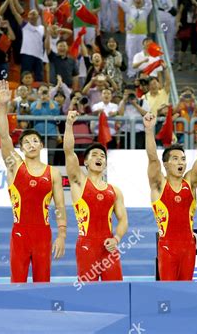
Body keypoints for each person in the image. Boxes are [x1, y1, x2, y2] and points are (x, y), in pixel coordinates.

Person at [0, 80, 66, 283]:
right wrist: (2, 107)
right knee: (17, 282)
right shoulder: (15, 166)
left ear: (42, 145)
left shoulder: (52, 173)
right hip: (20, 234)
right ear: (21, 149)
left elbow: (59, 206)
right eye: (26, 142)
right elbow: (3, 137)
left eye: (35, 140)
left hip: (43, 234)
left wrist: (61, 234)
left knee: (42, 283)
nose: (31, 144)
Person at [144, 111, 197, 280]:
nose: (181, 162)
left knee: (186, 289)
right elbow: (152, 159)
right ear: (166, 164)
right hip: (167, 247)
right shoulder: (159, 184)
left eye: (183, 159)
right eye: (176, 159)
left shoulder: (190, 182)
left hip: (188, 246)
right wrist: (149, 131)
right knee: (168, 291)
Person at [64, 111, 128, 282]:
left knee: (116, 291)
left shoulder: (115, 191)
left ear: (105, 163)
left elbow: (123, 220)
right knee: (88, 292)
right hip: (87, 245)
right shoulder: (79, 182)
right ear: (85, 161)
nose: (99, 157)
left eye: (102, 156)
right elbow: (69, 152)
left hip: (109, 247)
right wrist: (69, 125)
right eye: (95, 155)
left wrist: (116, 238)